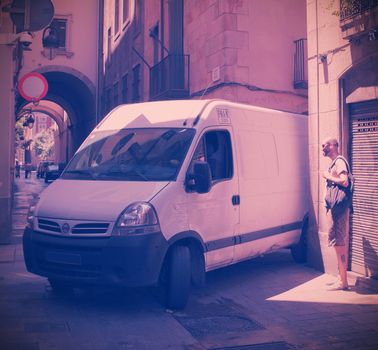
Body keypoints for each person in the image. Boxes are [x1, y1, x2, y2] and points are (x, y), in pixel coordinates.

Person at [322, 137, 351, 291]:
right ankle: (341, 278)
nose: (322, 147)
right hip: (335, 209)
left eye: (325, 145)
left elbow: (344, 181)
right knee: (337, 243)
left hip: (339, 210)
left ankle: (343, 282)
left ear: (333, 146)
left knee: (340, 244)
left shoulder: (339, 161)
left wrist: (327, 176)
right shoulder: (334, 163)